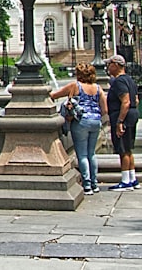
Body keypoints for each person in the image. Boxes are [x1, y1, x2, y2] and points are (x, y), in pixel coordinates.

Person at [51, 62, 107, 195]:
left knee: (82, 154)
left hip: (81, 122)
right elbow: (105, 110)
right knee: (91, 153)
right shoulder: (98, 88)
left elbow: (54, 95)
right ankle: (95, 183)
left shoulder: (75, 86)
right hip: (95, 121)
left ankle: (87, 185)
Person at [105, 54, 140, 190]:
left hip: (123, 116)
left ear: (116, 65)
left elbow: (126, 102)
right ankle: (132, 178)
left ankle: (125, 181)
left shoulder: (119, 81)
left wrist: (120, 121)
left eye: (110, 64)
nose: (108, 67)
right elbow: (136, 100)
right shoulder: (130, 80)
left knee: (123, 149)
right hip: (132, 115)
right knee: (128, 148)